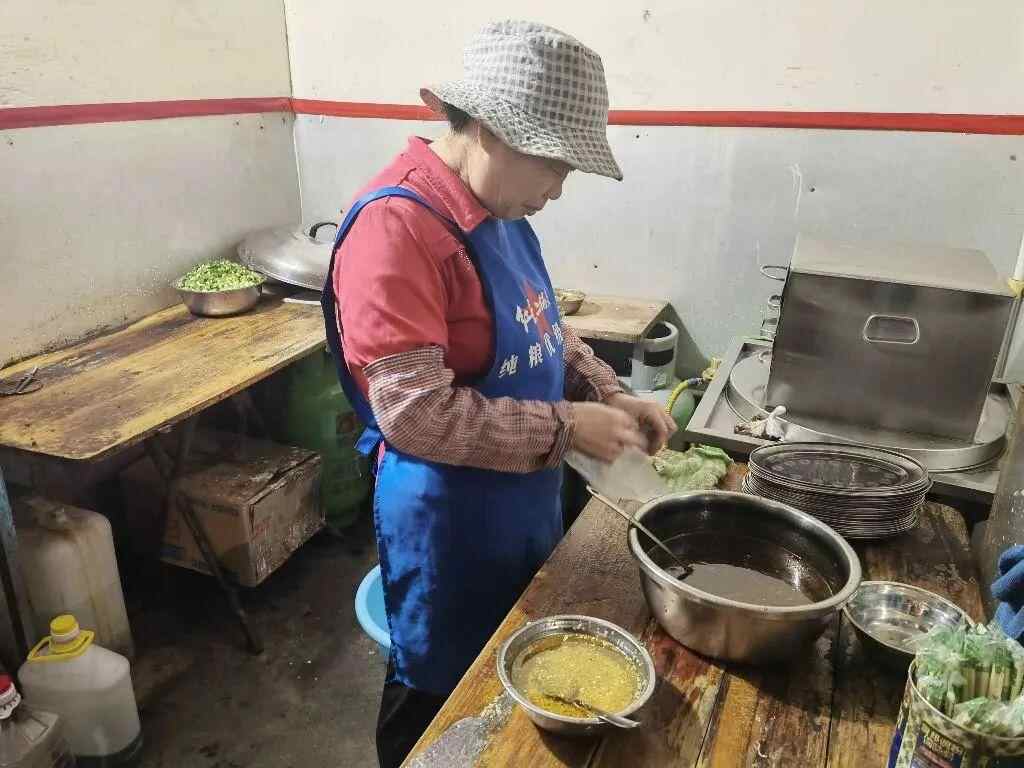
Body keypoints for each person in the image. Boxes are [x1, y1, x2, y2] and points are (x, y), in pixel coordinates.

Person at [320, 20, 676, 768]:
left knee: (514, 692)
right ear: (486, 128)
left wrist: (608, 393)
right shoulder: (396, 228)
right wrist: (565, 427)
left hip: (518, 505)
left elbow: (543, 328)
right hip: (450, 524)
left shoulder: (501, 211)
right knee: (438, 706)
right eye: (552, 163)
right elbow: (416, 415)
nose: (558, 189)